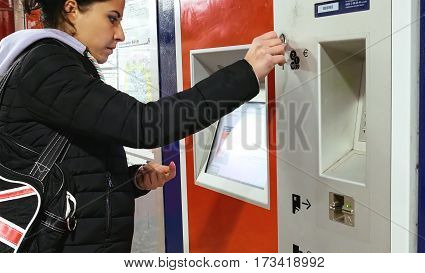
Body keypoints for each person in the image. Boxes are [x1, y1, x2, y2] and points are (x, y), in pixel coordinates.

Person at [0, 0, 286, 252]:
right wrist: (247, 72)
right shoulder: (48, 66)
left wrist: (131, 180)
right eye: (112, 18)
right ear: (72, 10)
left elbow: (65, 166)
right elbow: (145, 124)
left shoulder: (50, 64)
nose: (120, 34)